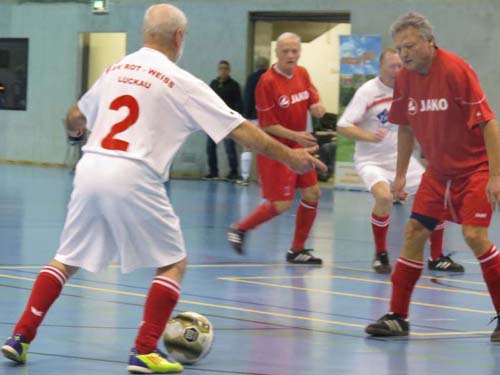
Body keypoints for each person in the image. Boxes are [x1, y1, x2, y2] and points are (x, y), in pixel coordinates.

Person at [0, 4, 326, 374]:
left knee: (67, 258)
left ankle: (19, 337)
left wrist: (74, 133)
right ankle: (144, 350)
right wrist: (291, 158)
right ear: (179, 37)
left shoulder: (116, 69)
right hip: (135, 173)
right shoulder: (181, 81)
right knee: (173, 262)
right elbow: (244, 133)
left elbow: (76, 115)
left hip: (90, 169)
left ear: (145, 33)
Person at [365, 12, 500, 340]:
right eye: (399, 48)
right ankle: (398, 316)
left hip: (475, 169)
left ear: (429, 42)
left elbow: (489, 124)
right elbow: (405, 126)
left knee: (474, 236)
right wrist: (399, 175)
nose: (404, 54)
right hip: (438, 174)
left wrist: (496, 176)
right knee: (413, 232)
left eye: (410, 45)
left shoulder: (456, 70)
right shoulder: (406, 78)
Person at [337, 48, 464, 274]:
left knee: (439, 196)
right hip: (371, 161)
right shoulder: (368, 91)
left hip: (401, 160)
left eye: (400, 66)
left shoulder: (410, 87)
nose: (398, 71)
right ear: (381, 67)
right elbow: (343, 125)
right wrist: (370, 136)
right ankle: (381, 254)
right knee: (384, 198)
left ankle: (437, 257)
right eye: (392, 66)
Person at [227, 32, 326, 264]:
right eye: (286, 51)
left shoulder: (302, 73)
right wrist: (295, 136)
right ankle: (240, 229)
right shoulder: (267, 82)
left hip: (300, 148)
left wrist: (317, 105)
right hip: (277, 150)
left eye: (295, 51)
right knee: (281, 204)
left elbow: (312, 94)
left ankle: (297, 250)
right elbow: (268, 125)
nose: (291, 55)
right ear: (277, 53)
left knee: (313, 193)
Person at [204, 60, 243, 181]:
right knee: (210, 147)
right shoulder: (214, 84)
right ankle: (213, 172)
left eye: (226, 68)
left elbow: (239, 103)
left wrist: (238, 119)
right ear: (218, 70)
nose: (223, 71)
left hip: (228, 121)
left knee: (230, 148)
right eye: (221, 68)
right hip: (214, 121)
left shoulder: (234, 85)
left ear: (229, 70)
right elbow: (207, 100)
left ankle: (234, 172)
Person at [236, 56, 269, 186]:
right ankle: (263, 178)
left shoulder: (251, 78)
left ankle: (245, 177)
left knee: (247, 146)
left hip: (252, 117)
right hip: (267, 119)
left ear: (256, 65)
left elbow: (248, 98)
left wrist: (246, 116)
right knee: (266, 148)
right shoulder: (270, 77)